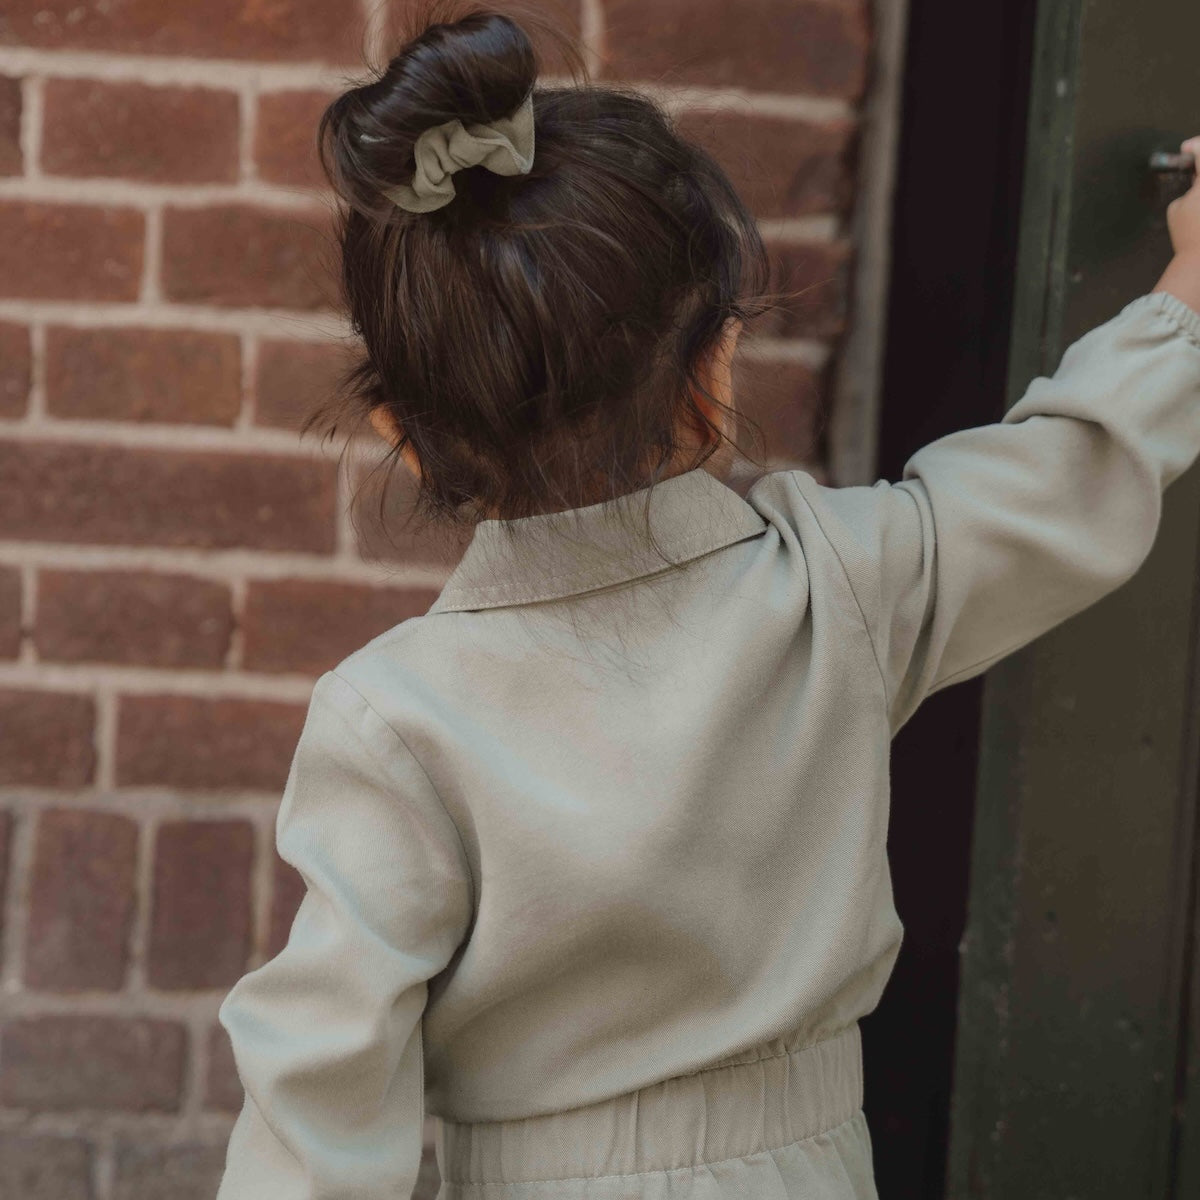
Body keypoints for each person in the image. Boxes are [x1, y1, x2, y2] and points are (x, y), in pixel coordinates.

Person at [213, 2, 1200, 1196]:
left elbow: (319, 1100)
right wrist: (1184, 296)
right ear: (715, 371)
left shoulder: (392, 723)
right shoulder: (841, 578)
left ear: (403, 441)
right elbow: (1070, 472)